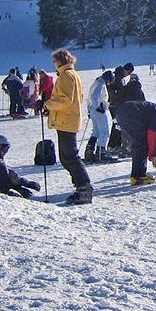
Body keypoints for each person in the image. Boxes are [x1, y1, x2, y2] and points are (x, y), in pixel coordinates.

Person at [45, 48, 93, 206]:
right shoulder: (73, 74)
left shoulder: (66, 75)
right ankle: (81, 187)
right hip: (69, 119)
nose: (54, 64)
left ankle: (84, 188)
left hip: (66, 120)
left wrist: (47, 104)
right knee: (67, 157)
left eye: (54, 61)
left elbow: (64, 100)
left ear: (60, 60)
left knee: (70, 156)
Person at [115, 99, 156, 185]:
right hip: (130, 113)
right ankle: (138, 176)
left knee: (139, 143)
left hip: (122, 111)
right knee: (141, 144)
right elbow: (152, 137)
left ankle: (138, 175)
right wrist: (153, 156)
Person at [85, 70, 114, 163]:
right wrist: (98, 107)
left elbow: (89, 97)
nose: (109, 83)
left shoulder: (96, 82)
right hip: (99, 110)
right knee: (105, 131)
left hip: (93, 109)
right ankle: (101, 152)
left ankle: (89, 151)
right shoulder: (101, 84)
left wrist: (90, 109)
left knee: (96, 131)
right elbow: (94, 96)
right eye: (110, 81)